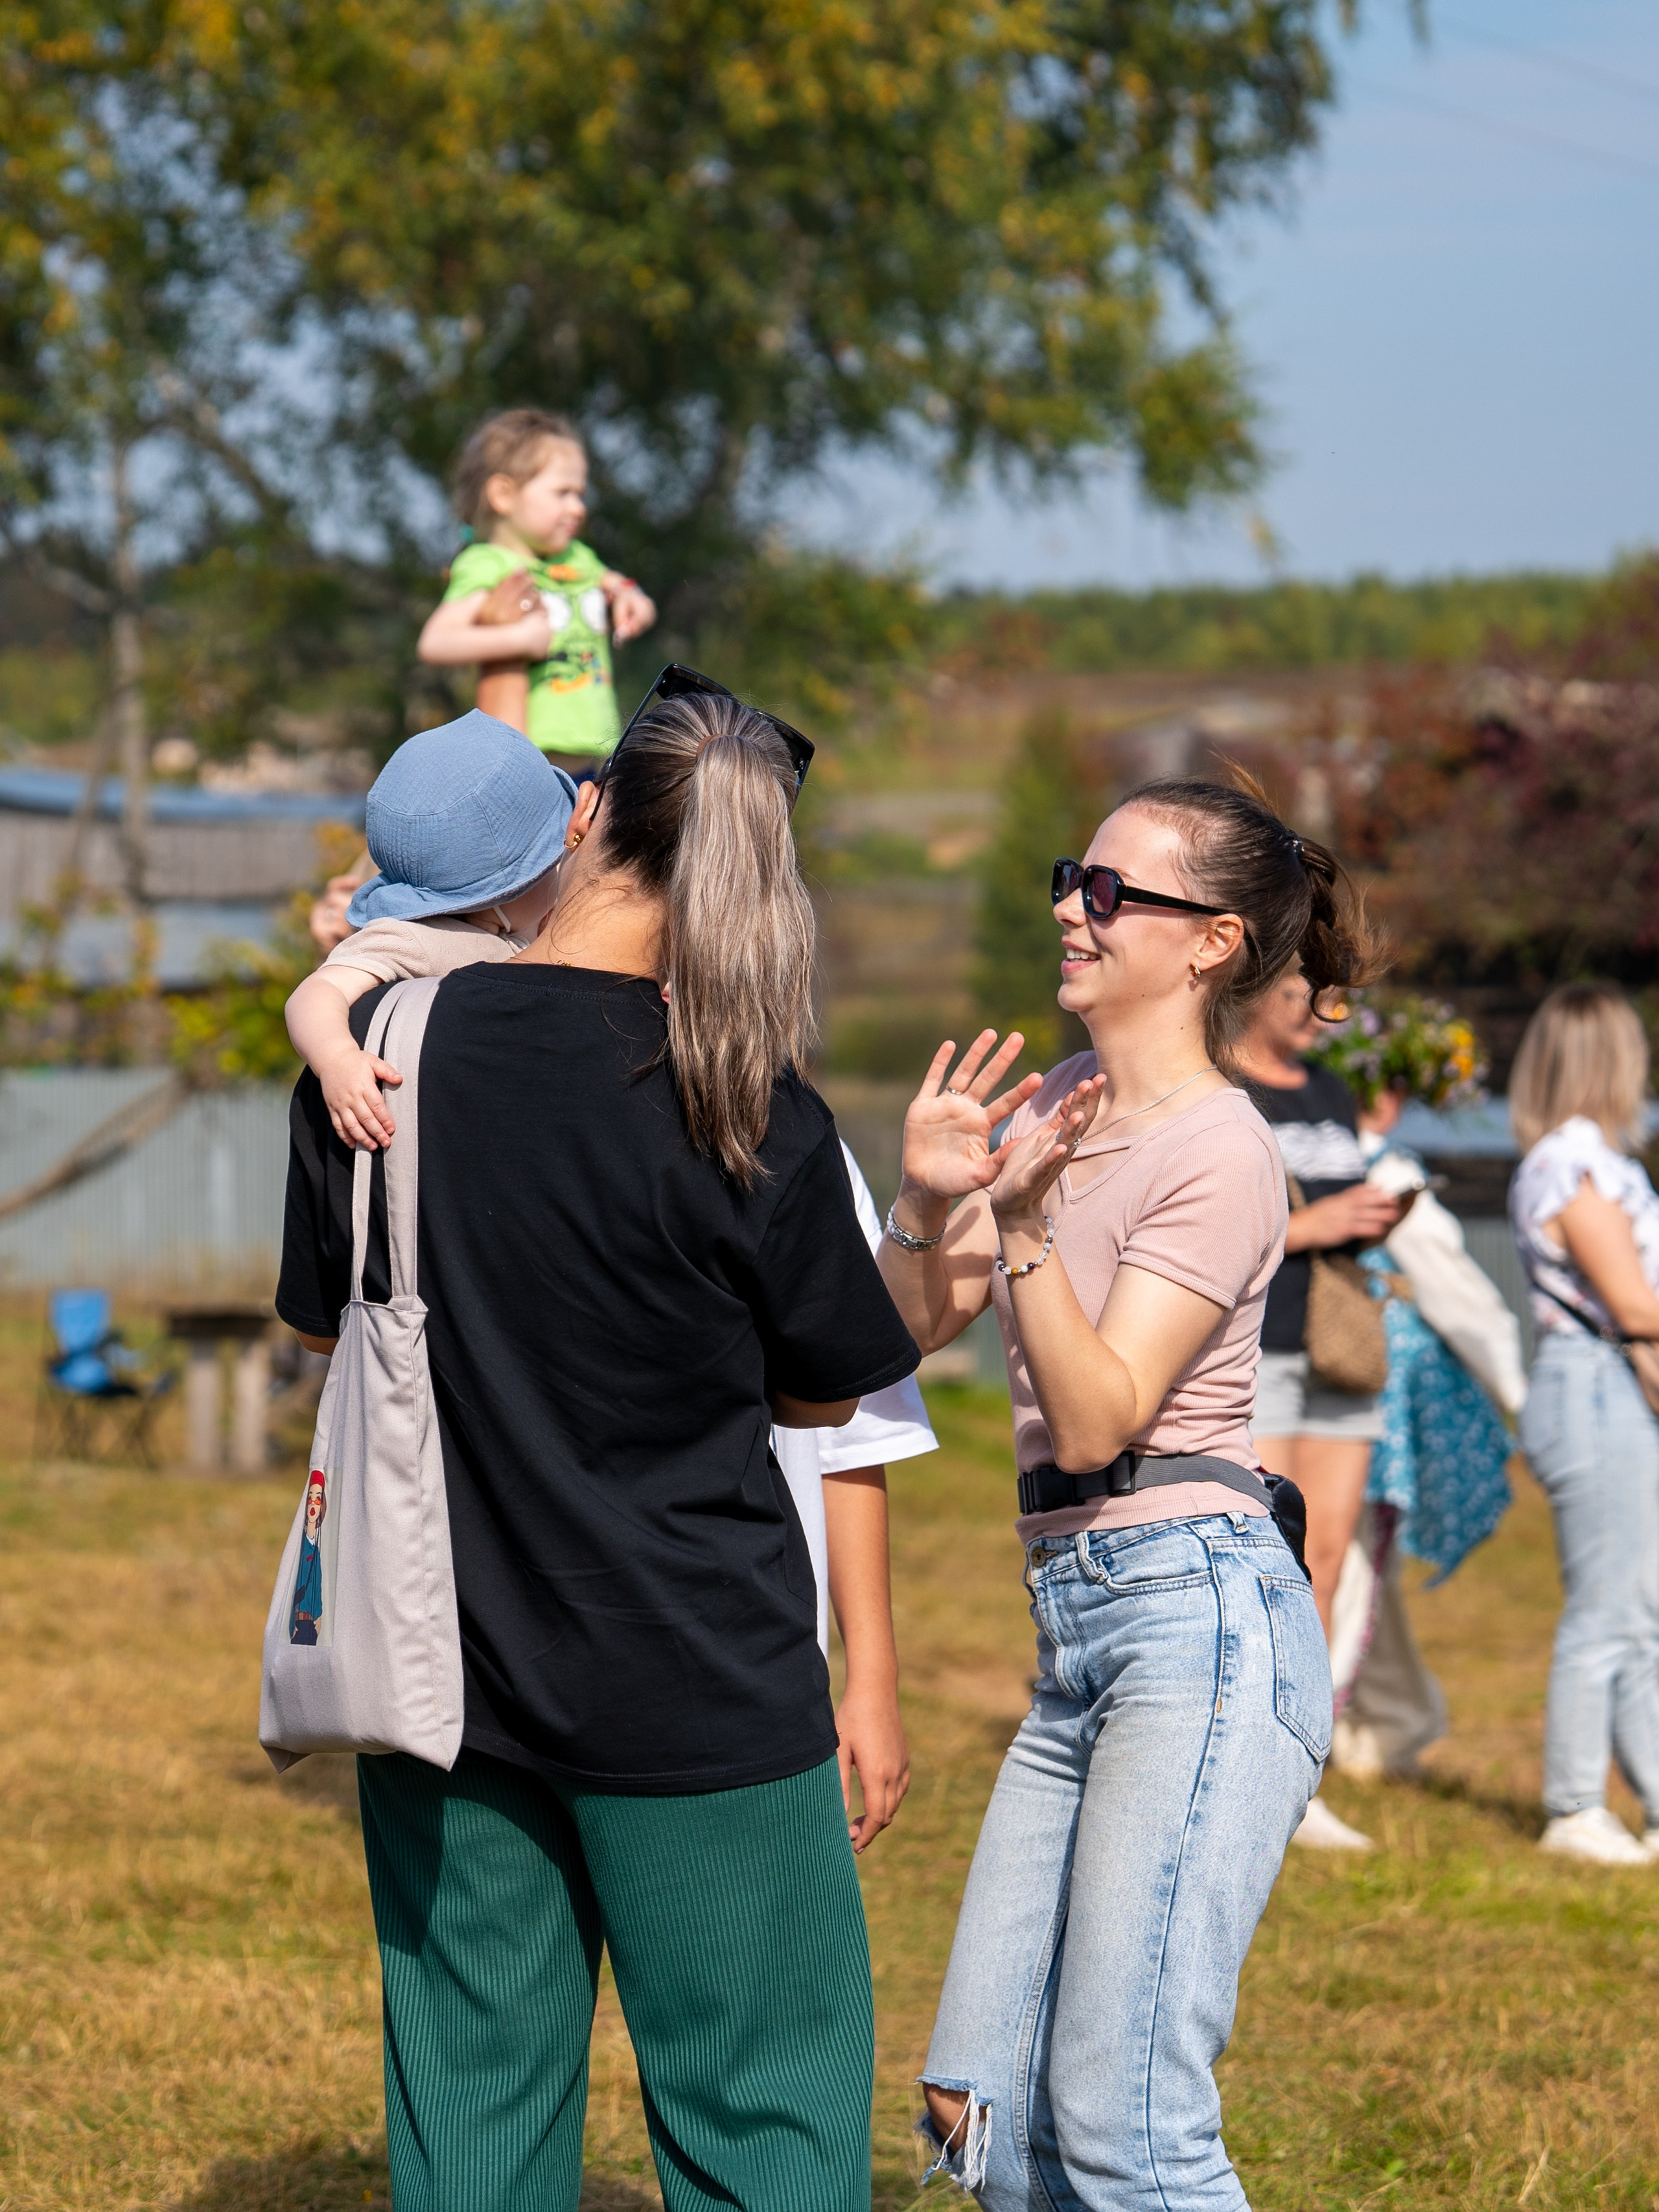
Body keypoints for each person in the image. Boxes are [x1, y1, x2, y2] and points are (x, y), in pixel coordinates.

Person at [275, 679, 920, 2210]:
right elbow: (822, 1401)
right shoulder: (751, 1105)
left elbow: (324, 1325)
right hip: (698, 1682)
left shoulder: (375, 1054)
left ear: (586, 813)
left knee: (470, 2122)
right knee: (763, 2123)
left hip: (440, 1668)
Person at [879, 774, 1375, 2212]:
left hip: (1196, 1621)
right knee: (977, 2107)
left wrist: (1026, 1227)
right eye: (1067, 877)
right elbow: (903, 1330)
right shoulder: (1056, 1103)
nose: (1068, 910)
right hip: (1080, 1626)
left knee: (1127, 2123)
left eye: (1106, 891)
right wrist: (925, 1199)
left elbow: (1101, 1413)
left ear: (1211, 942)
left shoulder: (1221, 1149)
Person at [1233, 971, 1402, 1850]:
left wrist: (1371, 1216)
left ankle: (1302, 1769)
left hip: (1341, 1346)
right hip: (1263, 1348)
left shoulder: (1332, 1090)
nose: (1321, 1012)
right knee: (1270, 1557)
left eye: (1330, 997)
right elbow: (1217, 1231)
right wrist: (1316, 1224)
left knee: (1328, 1560)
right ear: (1259, 985)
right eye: (1304, 991)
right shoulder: (1224, 1087)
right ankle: (1246, 1760)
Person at [1510, 982, 1659, 1868]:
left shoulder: (1595, 1160)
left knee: (1638, 1612)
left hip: (1605, 1385)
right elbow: (1634, 1305)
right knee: (1607, 1610)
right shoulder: (1573, 1164)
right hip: (1594, 1384)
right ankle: (1572, 1806)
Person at [284, 711, 577, 1148]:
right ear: (504, 892)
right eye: (552, 857)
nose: (565, 861)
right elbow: (316, 992)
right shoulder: (415, 939)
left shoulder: (520, 928)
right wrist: (337, 1059)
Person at [415, 408, 656, 774]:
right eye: (563, 493)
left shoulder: (578, 557)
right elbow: (435, 642)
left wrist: (629, 599)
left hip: (593, 765)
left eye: (580, 494)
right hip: (533, 769)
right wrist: (520, 639)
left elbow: (630, 594)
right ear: (504, 495)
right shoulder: (488, 564)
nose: (578, 508)